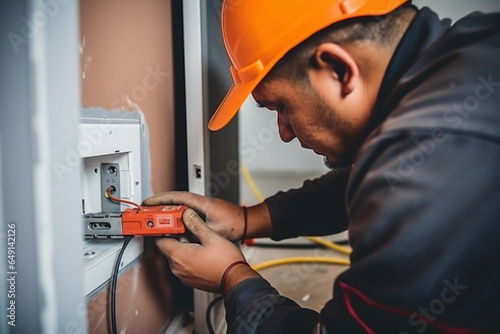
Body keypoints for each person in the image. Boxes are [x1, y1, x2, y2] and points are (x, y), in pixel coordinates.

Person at [144, 0, 500, 332]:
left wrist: (233, 277)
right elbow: (376, 178)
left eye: (281, 106)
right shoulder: (470, 50)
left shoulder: (423, 171)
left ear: (338, 70)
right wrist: (245, 219)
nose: (283, 132)